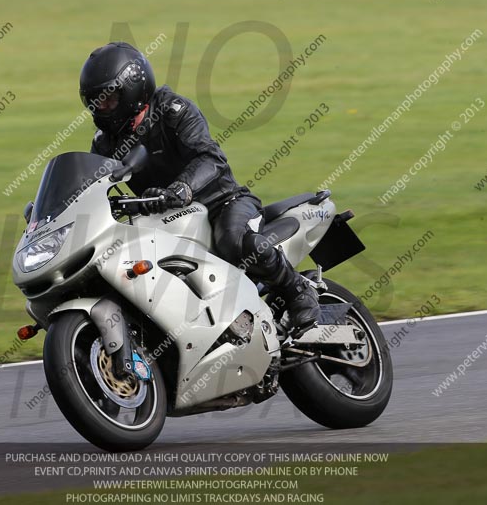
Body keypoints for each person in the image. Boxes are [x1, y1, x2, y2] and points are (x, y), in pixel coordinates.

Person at [80, 42, 319, 333]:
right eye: (95, 101)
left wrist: (182, 188)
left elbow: (211, 158)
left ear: (132, 88)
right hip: (162, 219)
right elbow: (99, 184)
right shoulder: (104, 142)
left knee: (237, 242)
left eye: (108, 98)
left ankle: (299, 291)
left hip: (222, 203)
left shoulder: (172, 111)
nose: (101, 108)